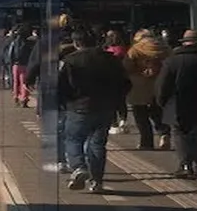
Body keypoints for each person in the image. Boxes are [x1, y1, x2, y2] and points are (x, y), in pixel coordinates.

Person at [60, 30, 131, 194]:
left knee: (73, 139)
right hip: (106, 108)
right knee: (98, 144)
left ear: (76, 43)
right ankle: (97, 182)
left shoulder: (71, 60)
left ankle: (78, 167)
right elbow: (126, 83)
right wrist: (115, 100)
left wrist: (65, 102)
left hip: (79, 107)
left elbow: (62, 86)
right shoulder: (112, 60)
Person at [156, 30, 197, 180]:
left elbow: (162, 86)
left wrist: (162, 102)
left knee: (180, 135)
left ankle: (185, 165)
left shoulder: (172, 61)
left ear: (184, 42)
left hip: (177, 104)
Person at [121, 32, 170, 148]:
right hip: (159, 84)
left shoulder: (135, 49)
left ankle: (146, 141)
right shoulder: (164, 48)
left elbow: (126, 66)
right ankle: (164, 133)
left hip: (139, 86)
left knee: (140, 115)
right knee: (158, 112)